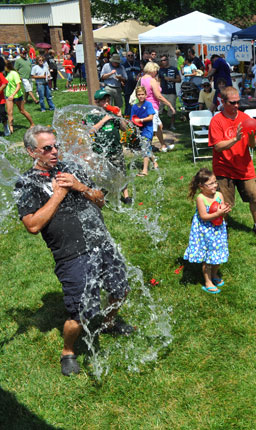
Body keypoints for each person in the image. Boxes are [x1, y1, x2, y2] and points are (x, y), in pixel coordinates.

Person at [14, 126, 133, 376]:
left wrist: (79, 186)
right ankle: (68, 351)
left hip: (101, 242)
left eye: (56, 146)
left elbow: (100, 199)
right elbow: (33, 225)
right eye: (47, 148)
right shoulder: (26, 183)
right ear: (31, 152)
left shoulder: (71, 169)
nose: (55, 151)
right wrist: (58, 195)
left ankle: (109, 322)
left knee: (120, 288)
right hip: (71, 255)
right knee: (79, 312)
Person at [208, 86, 256, 241]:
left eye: (238, 102)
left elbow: (252, 145)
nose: (237, 106)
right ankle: (223, 227)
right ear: (223, 101)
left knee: (255, 197)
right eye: (232, 103)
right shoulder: (216, 121)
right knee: (225, 203)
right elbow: (218, 146)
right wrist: (235, 139)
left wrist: (252, 135)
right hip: (224, 167)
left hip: (244, 167)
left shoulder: (245, 118)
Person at [184, 168, 231, 294]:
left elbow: (220, 207)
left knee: (219, 253)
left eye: (215, 182)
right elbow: (204, 216)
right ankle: (208, 281)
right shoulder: (201, 198)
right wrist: (218, 213)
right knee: (208, 257)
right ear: (201, 186)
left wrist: (224, 209)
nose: (215, 185)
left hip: (218, 230)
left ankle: (214, 274)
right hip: (206, 231)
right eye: (210, 184)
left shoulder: (219, 195)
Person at [86, 89, 132, 204]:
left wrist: (120, 117)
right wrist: (104, 120)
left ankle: (126, 196)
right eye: (103, 101)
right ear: (97, 102)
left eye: (108, 100)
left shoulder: (113, 113)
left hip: (115, 149)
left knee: (121, 172)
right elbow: (89, 132)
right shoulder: (92, 115)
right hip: (101, 150)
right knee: (103, 175)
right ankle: (101, 196)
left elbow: (125, 129)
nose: (107, 103)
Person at [141, 61, 176, 152]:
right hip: (152, 107)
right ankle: (147, 149)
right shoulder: (152, 80)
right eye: (156, 70)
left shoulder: (143, 79)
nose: (156, 72)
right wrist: (169, 105)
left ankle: (163, 145)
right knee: (152, 129)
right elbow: (158, 96)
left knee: (159, 126)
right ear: (152, 70)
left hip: (145, 105)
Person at [130, 86, 158, 177]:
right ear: (136, 96)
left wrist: (141, 120)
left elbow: (151, 117)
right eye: (139, 95)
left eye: (142, 94)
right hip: (140, 130)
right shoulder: (134, 107)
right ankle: (155, 162)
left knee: (144, 148)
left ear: (145, 95)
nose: (141, 96)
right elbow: (132, 119)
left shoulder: (148, 104)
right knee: (147, 148)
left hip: (148, 129)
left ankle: (145, 170)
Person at [5, 60, 35, 134]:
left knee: (22, 111)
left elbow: (18, 86)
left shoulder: (14, 73)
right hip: (8, 96)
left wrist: (13, 95)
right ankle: (11, 128)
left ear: (7, 66)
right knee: (9, 112)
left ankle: (32, 124)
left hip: (17, 95)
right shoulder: (7, 74)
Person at [158, 55, 180, 131]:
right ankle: (159, 125)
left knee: (172, 109)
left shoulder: (174, 69)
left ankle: (172, 125)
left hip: (171, 92)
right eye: (161, 61)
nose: (163, 62)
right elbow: (159, 80)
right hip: (162, 92)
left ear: (168, 60)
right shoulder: (160, 70)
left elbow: (179, 80)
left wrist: (171, 79)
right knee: (159, 109)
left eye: (164, 60)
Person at [122, 51, 141, 116]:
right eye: (129, 56)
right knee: (128, 103)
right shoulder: (123, 65)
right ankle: (127, 117)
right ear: (126, 57)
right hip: (128, 86)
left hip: (137, 85)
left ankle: (136, 116)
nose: (130, 57)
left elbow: (141, 72)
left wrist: (139, 75)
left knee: (137, 102)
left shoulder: (138, 64)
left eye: (132, 55)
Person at [0, 67, 8, 136]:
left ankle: (5, 127)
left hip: (0, 100)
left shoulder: (0, 74)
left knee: (2, 115)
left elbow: (4, 83)